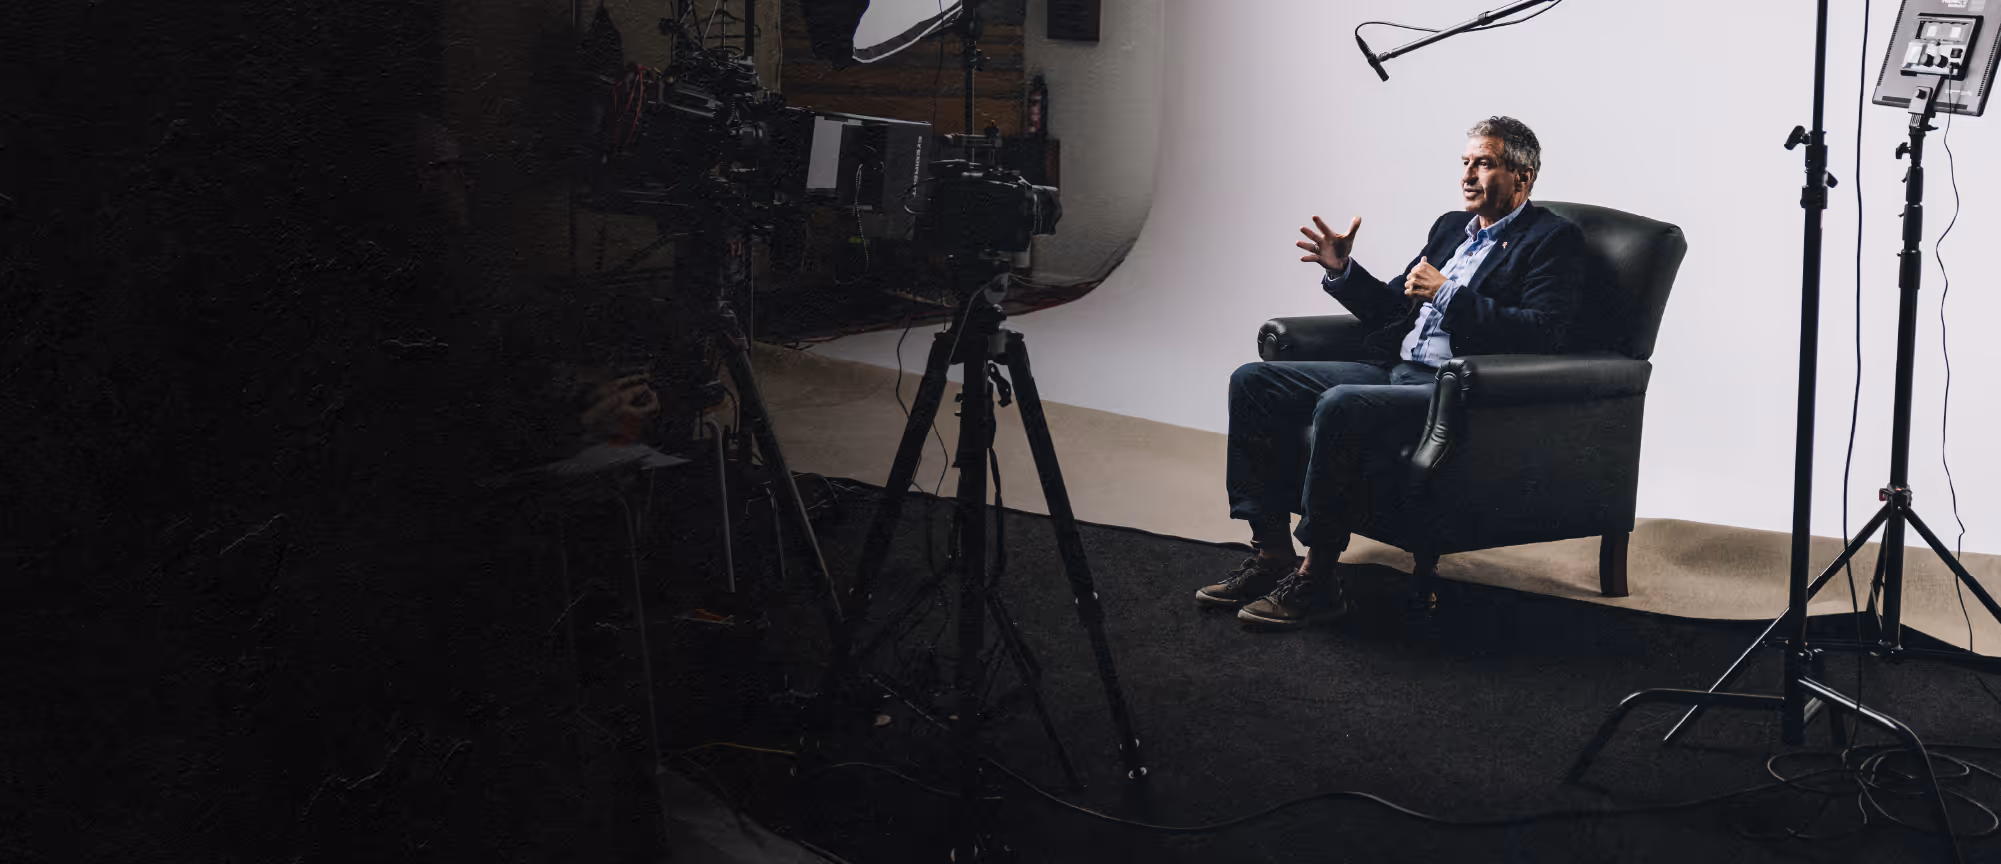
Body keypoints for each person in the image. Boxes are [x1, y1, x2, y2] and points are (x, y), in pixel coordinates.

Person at [1202, 116, 1588, 629]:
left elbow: (1543, 332)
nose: (1468, 175)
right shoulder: (1451, 227)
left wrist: (1449, 293)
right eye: (1466, 162)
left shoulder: (1553, 240)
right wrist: (1342, 270)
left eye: (1486, 163)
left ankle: (1318, 580)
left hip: (1455, 390)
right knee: (1254, 380)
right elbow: (1392, 309)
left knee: (1341, 403)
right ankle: (1273, 554)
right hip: (1395, 368)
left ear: (1524, 177)